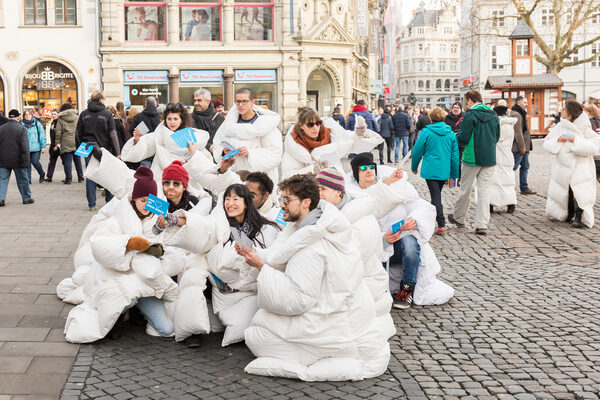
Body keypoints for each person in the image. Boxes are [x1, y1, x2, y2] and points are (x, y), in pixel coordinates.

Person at [241, 174, 390, 381]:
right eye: (281, 200)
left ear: (306, 203)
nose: (281, 205)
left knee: (256, 335)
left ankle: (310, 365)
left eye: (286, 200)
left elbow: (298, 300)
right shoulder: (313, 227)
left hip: (329, 319)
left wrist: (261, 267)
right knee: (259, 325)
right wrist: (260, 258)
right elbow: (284, 255)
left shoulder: (310, 247)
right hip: (346, 313)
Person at [60, 167, 181, 343]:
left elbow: (167, 246)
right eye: (142, 200)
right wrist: (127, 244)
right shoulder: (117, 219)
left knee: (166, 328)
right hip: (117, 277)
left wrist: (158, 246)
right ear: (134, 199)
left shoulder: (157, 217)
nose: (146, 205)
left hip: (146, 282)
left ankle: (136, 310)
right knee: (117, 303)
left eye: (149, 201)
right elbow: (99, 245)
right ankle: (119, 315)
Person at [346, 152, 454, 309]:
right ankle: (379, 290)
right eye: (363, 168)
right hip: (373, 248)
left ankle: (407, 289)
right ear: (357, 174)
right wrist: (383, 239)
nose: (369, 170)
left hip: (400, 242)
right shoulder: (353, 197)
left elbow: (420, 206)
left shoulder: (396, 187)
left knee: (410, 243)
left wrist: (414, 220)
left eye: (371, 167)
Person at [316, 167, 399, 339]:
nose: (319, 194)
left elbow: (345, 264)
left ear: (339, 192)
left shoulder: (361, 223)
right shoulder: (329, 212)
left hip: (364, 287)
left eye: (323, 189)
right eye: (316, 189)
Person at [207, 184, 280, 347]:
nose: (230, 203)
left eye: (235, 199)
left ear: (246, 202)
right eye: (227, 199)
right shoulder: (222, 228)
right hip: (224, 291)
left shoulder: (265, 229)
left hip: (251, 291)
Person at [448, 90, 500, 235]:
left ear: (470, 100)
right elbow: (497, 136)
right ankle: (482, 224)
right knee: (484, 191)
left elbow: (464, 137)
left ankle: (459, 218)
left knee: (465, 188)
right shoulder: (493, 114)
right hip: (489, 157)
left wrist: (456, 137)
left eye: (467, 101)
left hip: (472, 157)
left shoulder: (470, 115)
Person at [281, 107, 381, 178]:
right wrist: (312, 170)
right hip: (308, 192)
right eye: (310, 125)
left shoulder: (330, 134)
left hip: (334, 185)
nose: (315, 127)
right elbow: (288, 175)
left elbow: (348, 142)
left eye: (318, 123)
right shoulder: (294, 145)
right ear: (301, 126)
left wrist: (360, 135)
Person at [544, 100, 599, 228]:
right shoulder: (560, 126)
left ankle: (580, 216)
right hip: (562, 166)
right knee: (565, 190)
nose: (561, 111)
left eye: (563, 109)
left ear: (570, 113)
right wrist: (558, 140)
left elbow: (594, 146)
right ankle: (567, 213)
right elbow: (547, 143)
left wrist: (576, 142)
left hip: (581, 165)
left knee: (580, 191)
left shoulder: (585, 127)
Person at [411, 107, 459, 235]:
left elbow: (417, 151)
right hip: (445, 170)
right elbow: (455, 156)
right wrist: (454, 175)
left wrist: (414, 167)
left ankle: (441, 223)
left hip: (431, 169)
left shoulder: (426, 132)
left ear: (431, 118)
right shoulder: (450, 133)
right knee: (436, 195)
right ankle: (438, 221)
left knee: (435, 196)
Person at [76, 90, 120, 211]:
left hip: (88, 148)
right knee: (107, 175)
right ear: (101, 100)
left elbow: (78, 132)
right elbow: (113, 134)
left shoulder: (84, 114)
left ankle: (92, 204)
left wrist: (80, 146)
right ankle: (109, 203)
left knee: (90, 175)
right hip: (103, 148)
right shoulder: (106, 114)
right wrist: (117, 152)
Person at [489, 100, 518, 214]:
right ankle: (511, 204)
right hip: (507, 154)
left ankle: (491, 203)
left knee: (493, 179)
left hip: (495, 153)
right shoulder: (510, 124)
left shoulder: (496, 124)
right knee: (508, 180)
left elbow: (494, 139)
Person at [0, 109, 33, 206]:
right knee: (23, 179)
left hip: (3, 159)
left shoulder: (1, 128)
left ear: (9, 117)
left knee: (2, 179)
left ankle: (1, 198)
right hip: (18, 160)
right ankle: (26, 198)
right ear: (18, 118)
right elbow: (25, 147)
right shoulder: (22, 129)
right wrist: (26, 162)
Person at [53, 103, 84, 184]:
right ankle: (80, 176)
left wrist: (57, 143)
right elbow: (81, 129)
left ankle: (69, 178)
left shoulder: (61, 119)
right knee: (77, 160)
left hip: (65, 141)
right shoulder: (77, 117)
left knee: (67, 161)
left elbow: (58, 132)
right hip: (76, 141)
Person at [511, 96, 535, 195]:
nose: (527, 104)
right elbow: (518, 132)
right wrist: (522, 147)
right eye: (525, 102)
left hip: (525, 146)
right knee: (513, 167)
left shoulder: (521, 113)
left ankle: (524, 188)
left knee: (525, 166)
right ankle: (508, 186)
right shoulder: (516, 114)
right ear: (519, 103)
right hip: (519, 147)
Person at [21, 109, 46, 184]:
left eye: (29, 114)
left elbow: (42, 135)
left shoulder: (36, 123)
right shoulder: (21, 125)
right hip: (25, 148)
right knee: (27, 163)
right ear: (24, 116)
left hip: (36, 148)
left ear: (32, 115)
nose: (27, 116)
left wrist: (43, 146)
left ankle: (42, 173)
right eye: (26, 114)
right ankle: (28, 179)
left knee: (35, 162)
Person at [583, 104, 600, 182]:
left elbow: (589, 136)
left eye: (585, 111)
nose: (584, 113)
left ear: (590, 112)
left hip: (595, 153)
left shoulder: (589, 122)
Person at [44, 110, 60, 182]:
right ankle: (49, 176)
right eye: (52, 114)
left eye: (55, 114)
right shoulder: (53, 122)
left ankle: (68, 176)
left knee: (65, 162)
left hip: (59, 145)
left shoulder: (59, 122)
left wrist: (57, 145)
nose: (53, 115)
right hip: (53, 144)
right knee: (52, 161)